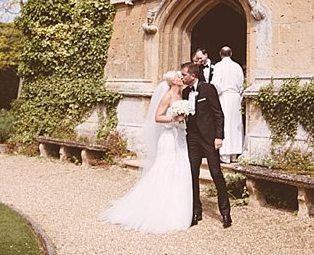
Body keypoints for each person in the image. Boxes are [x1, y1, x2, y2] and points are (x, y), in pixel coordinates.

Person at [101, 71, 192, 234]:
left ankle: (177, 211)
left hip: (179, 137)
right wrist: (174, 119)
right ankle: (158, 210)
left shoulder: (181, 95)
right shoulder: (167, 96)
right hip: (168, 137)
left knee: (180, 170)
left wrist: (183, 117)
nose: (181, 78)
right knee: (166, 169)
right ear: (172, 82)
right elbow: (157, 117)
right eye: (178, 77)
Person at [181, 62, 232, 228]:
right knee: (192, 173)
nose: (182, 77)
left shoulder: (208, 89)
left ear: (193, 76)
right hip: (193, 138)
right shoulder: (185, 92)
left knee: (216, 173)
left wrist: (219, 136)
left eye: (184, 75)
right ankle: (196, 211)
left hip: (209, 139)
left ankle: (225, 213)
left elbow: (219, 114)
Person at [213, 46, 244, 163]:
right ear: (231, 54)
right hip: (235, 98)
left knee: (225, 123)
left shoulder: (218, 66)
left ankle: (225, 154)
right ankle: (234, 154)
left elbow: (215, 83)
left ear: (220, 54)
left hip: (224, 97)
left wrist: (218, 93)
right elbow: (241, 83)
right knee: (235, 124)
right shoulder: (237, 67)